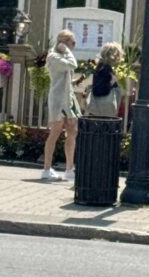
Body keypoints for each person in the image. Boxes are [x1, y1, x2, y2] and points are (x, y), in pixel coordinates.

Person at [41, 29, 81, 182]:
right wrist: (66, 50)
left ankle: (69, 168)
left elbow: (66, 73)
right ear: (64, 42)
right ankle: (46, 168)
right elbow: (73, 64)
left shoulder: (63, 55)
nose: (74, 46)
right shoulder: (54, 56)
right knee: (56, 131)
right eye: (72, 42)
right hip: (58, 99)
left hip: (68, 98)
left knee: (72, 130)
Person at [86, 41, 123, 118]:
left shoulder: (101, 67)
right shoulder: (105, 69)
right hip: (104, 109)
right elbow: (100, 90)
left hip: (98, 109)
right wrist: (112, 82)